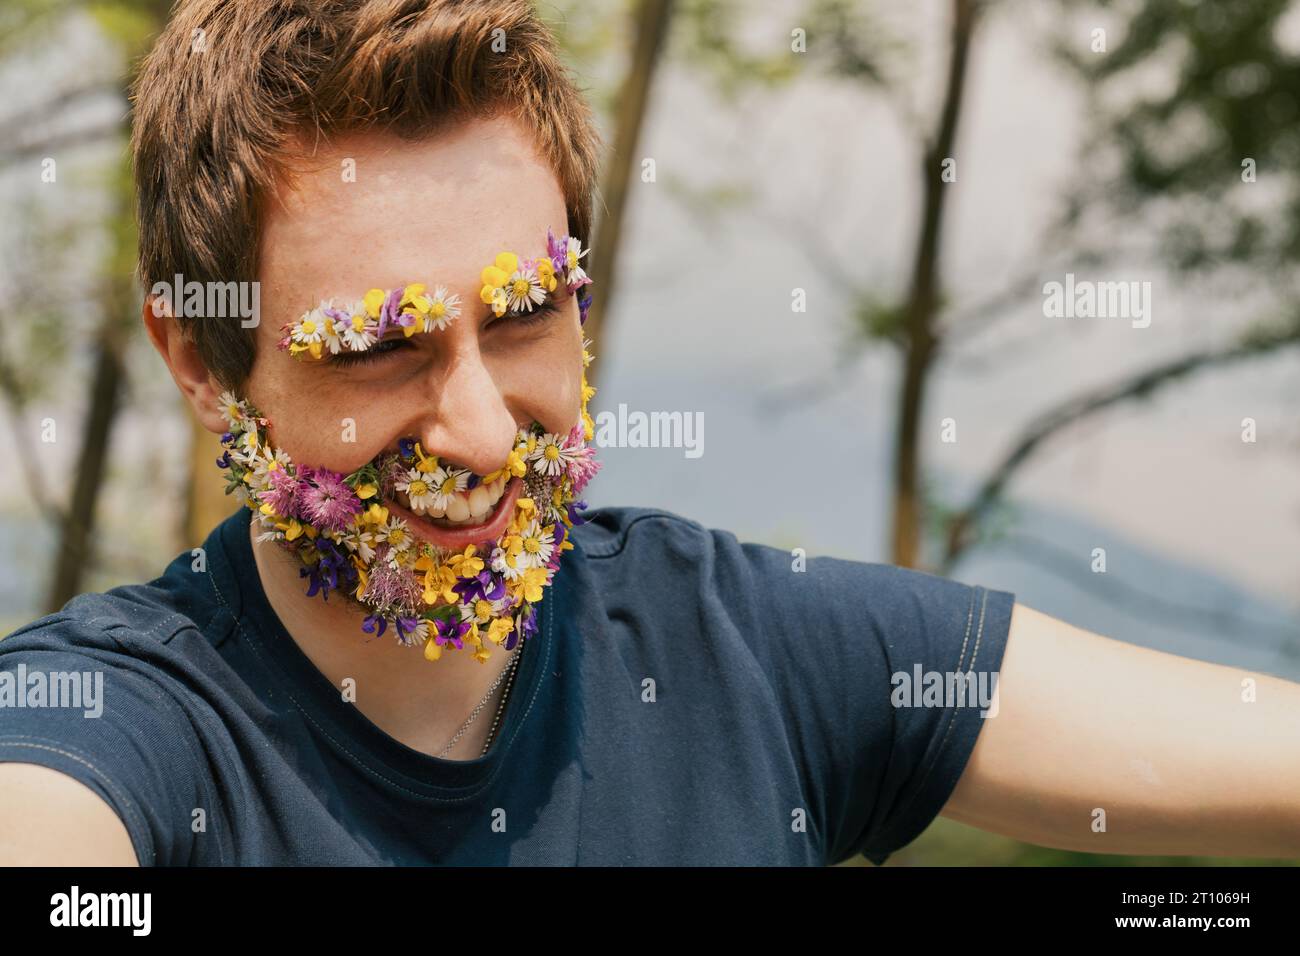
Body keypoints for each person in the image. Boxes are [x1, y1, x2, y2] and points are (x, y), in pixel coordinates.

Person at [1, 0, 1297, 867]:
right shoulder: (122, 724)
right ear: (200, 360)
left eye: (521, 320)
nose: (474, 427)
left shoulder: (743, 649)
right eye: (376, 347)